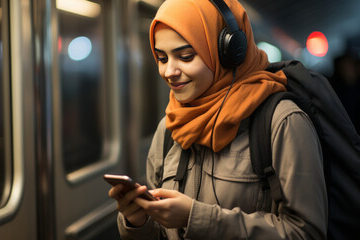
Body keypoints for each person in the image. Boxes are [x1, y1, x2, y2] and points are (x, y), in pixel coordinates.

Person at [108, 0, 327, 239]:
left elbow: (307, 233)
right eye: (162, 58)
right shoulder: (170, 127)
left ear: (228, 53)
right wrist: (139, 222)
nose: (169, 71)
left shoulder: (281, 121)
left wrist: (196, 218)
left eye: (185, 56)